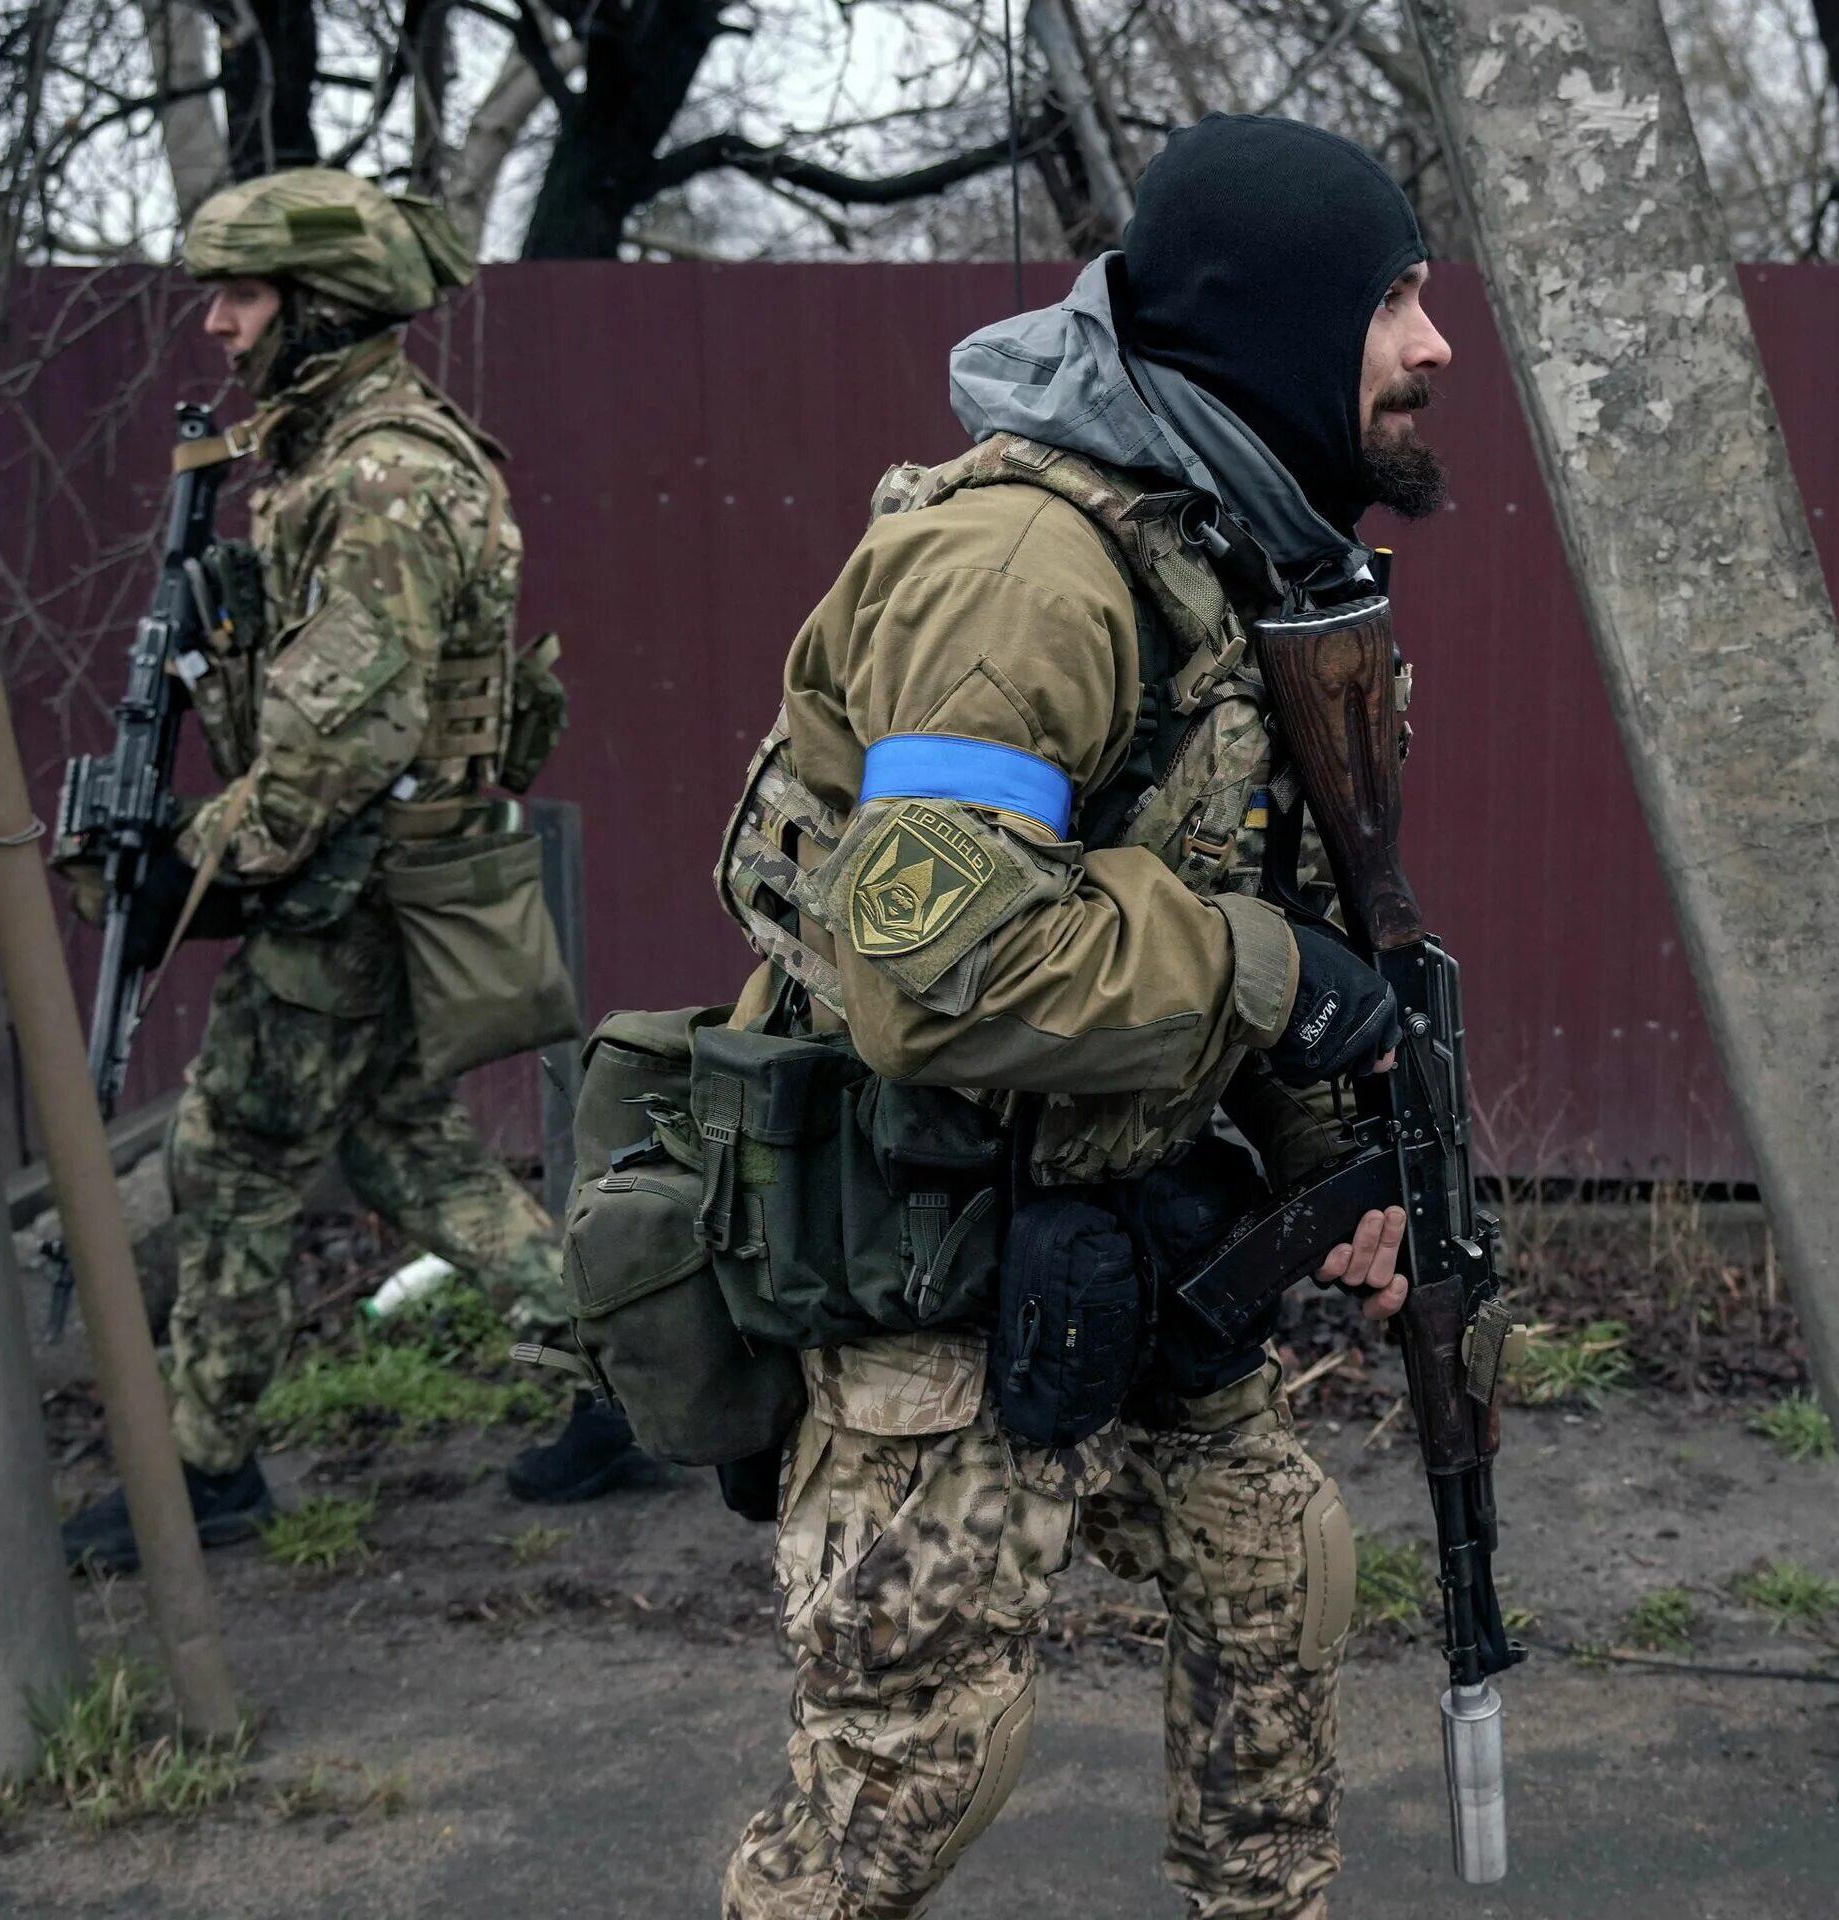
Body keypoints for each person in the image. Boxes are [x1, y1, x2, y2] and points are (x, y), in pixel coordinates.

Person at [714, 115, 1453, 1919]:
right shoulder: (1028, 570)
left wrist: (1346, 1171)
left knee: (1284, 1578)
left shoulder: (1261, 576)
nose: (1435, 346)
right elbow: (931, 963)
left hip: (1143, 1223)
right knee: (910, 1784)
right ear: (1272, 326)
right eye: (1394, 302)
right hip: (937, 1253)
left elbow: (1274, 907)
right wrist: (1267, 979)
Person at [60, 170, 638, 1574]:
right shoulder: (342, 452)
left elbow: (334, 746)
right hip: (379, 875)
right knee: (408, 1148)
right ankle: (628, 1375)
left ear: (321, 308)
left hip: (357, 885)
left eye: (242, 296)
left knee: (236, 1150)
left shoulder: (382, 478)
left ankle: (206, 1466)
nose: (215, 324)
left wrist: (177, 861)